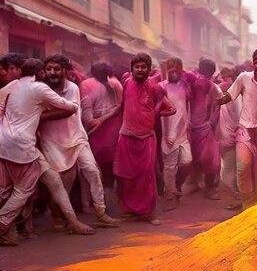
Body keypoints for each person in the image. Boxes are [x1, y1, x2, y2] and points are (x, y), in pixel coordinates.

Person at [0, 59, 80, 245]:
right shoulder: (39, 88)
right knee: (24, 189)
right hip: (23, 146)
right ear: (40, 73)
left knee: (8, 189)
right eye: (46, 70)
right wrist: (42, 114)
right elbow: (69, 107)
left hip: (5, 144)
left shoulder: (10, 89)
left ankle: (72, 221)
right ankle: (3, 223)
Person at [37, 55, 119, 227]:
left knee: (93, 172)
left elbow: (70, 111)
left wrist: (39, 117)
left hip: (76, 137)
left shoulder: (72, 88)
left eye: (57, 69)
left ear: (65, 71)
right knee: (60, 183)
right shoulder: (41, 90)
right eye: (49, 69)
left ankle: (100, 212)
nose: (53, 72)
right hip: (52, 141)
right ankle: (59, 217)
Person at [114, 53, 176, 225]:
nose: (140, 70)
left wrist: (155, 112)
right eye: (137, 67)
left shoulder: (155, 87)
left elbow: (172, 108)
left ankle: (149, 212)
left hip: (146, 137)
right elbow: (121, 107)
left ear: (149, 69)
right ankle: (130, 210)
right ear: (132, 69)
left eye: (143, 67)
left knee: (147, 177)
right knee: (126, 177)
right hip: (126, 136)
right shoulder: (126, 83)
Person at [217, 48, 257, 208]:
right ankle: (247, 205)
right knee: (243, 167)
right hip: (245, 130)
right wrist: (220, 100)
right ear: (253, 63)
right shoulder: (244, 78)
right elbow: (231, 94)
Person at [80, 62, 123, 203]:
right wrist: (108, 116)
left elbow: (87, 118)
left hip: (100, 131)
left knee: (94, 164)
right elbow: (118, 107)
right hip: (109, 128)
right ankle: (105, 196)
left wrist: (99, 120)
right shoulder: (115, 83)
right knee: (108, 164)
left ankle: (94, 200)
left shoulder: (87, 85)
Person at [160, 58, 193, 211]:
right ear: (167, 70)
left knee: (187, 162)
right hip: (168, 134)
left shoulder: (184, 85)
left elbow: (187, 105)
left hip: (183, 133)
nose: (174, 72)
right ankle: (170, 198)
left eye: (177, 69)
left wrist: (189, 123)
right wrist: (166, 136)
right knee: (169, 167)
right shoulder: (161, 87)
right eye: (171, 69)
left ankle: (177, 187)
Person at [189, 58, 221, 201]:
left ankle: (210, 188)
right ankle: (197, 184)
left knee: (207, 159)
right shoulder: (194, 83)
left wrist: (211, 123)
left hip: (203, 128)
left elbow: (218, 105)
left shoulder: (212, 87)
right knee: (194, 158)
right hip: (192, 127)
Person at [217, 67, 241, 210]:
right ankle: (237, 196)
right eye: (221, 78)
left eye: (225, 79)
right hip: (227, 138)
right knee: (229, 171)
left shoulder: (234, 96)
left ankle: (237, 198)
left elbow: (238, 116)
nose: (222, 82)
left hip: (234, 138)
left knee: (233, 170)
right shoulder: (223, 95)